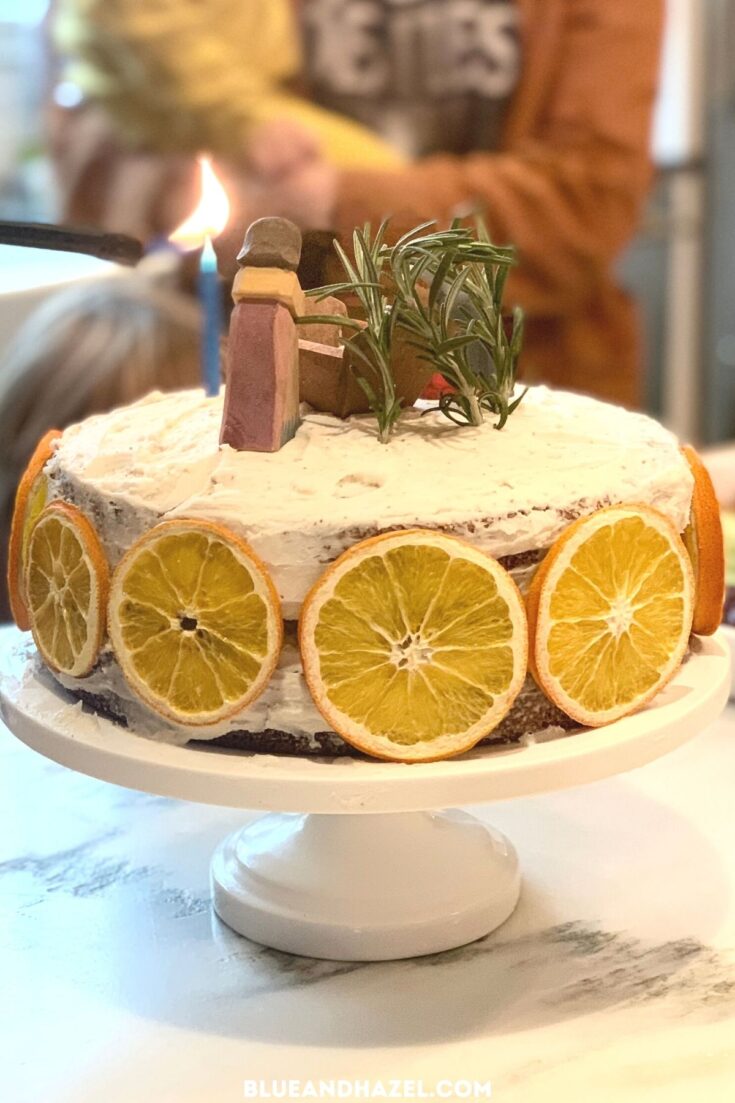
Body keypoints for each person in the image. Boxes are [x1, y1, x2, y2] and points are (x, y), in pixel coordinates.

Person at [49, 0, 665, 408]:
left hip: (514, 387)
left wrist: (336, 198)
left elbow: (587, 207)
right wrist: (196, 168)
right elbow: (105, 121)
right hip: (250, 388)